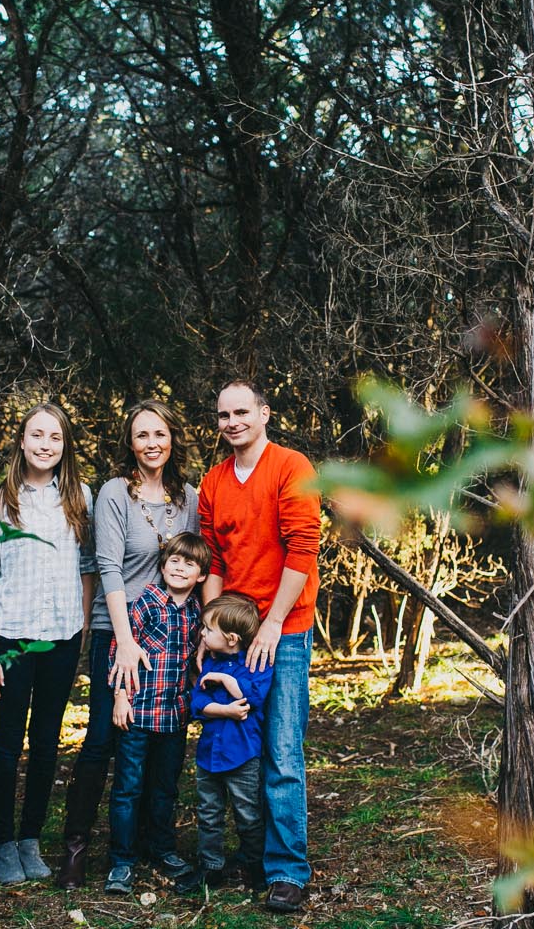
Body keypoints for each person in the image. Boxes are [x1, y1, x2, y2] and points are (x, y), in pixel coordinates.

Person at [55, 400, 199, 888]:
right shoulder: (115, 492)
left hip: (170, 635)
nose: (152, 443)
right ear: (130, 443)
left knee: (159, 745)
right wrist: (125, 641)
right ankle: (76, 847)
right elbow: (108, 566)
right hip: (115, 631)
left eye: (159, 433)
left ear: (172, 438)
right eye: (141, 435)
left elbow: (197, 566)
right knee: (102, 740)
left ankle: (146, 845)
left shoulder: (190, 500)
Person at [198, 379, 321, 913]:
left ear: (264, 413)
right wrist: (212, 631)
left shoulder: (292, 468)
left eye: (242, 411)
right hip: (231, 634)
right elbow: (213, 562)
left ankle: (288, 870)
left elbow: (303, 550)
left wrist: (270, 626)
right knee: (235, 734)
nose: (232, 422)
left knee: (282, 750)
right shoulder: (213, 482)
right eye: (224, 415)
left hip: (285, 629)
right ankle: (249, 855)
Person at [0, 402, 97, 886]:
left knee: (46, 745)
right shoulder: (1, 501)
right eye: (37, 435)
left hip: (61, 640)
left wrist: (81, 629)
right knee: (7, 745)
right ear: (21, 441)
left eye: (56, 437)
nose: (46, 445)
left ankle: (30, 839)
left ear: (65, 446)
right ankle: (4, 844)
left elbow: (86, 569)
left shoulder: (79, 496)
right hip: (12, 638)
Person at [103, 532, 210, 895]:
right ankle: (121, 859)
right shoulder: (146, 603)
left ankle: (161, 848)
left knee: (164, 789)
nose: (179, 568)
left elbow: (196, 657)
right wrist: (120, 698)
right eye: (174, 561)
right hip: (137, 714)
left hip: (174, 718)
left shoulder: (197, 612)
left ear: (201, 576)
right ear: (162, 565)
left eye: (189, 564)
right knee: (128, 789)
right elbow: (120, 652)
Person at [179, 593, 273, 893]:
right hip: (209, 755)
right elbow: (197, 704)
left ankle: (255, 866)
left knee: (248, 814)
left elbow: (253, 698)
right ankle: (211, 867)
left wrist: (227, 682)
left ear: (231, 638)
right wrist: (225, 710)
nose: (202, 634)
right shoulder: (210, 663)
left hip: (242, 756)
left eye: (208, 629)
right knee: (208, 813)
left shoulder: (256, 663)